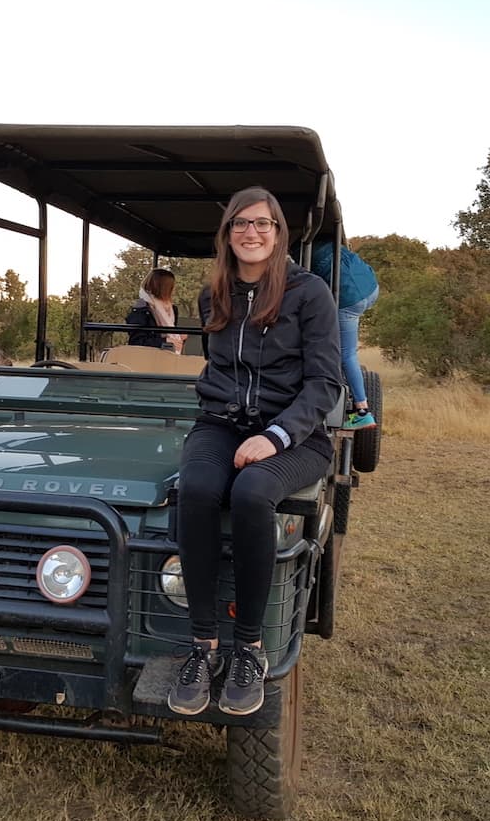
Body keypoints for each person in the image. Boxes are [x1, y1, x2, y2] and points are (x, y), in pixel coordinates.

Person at [167, 187, 340, 718]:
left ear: (278, 232)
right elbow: (218, 372)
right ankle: (203, 645)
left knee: (252, 491)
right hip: (221, 425)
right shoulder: (212, 295)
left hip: (296, 437)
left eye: (263, 223)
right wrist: (230, 425)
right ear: (227, 234)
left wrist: (275, 436)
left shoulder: (308, 294)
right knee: (194, 489)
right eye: (241, 223)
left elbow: (325, 383)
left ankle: (250, 647)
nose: (252, 232)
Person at [311, 241, 379, 429]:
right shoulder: (332, 244)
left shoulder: (301, 253)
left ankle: (362, 411)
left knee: (346, 355)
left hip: (349, 299)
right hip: (371, 288)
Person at [126, 268, 187, 353]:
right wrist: (165, 342)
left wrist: (178, 337)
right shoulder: (141, 308)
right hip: (147, 358)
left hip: (167, 356)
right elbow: (136, 341)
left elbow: (170, 335)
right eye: (171, 286)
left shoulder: (173, 309)